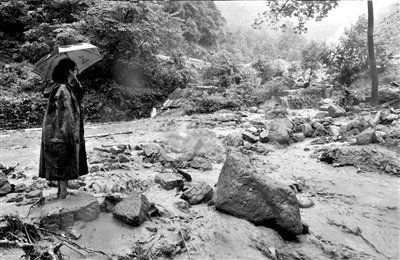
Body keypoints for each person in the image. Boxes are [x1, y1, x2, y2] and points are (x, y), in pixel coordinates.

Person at [39, 58, 88, 199]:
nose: (77, 72)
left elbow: (74, 103)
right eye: (75, 70)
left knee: (62, 160)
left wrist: (78, 88)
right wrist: (72, 133)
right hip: (62, 130)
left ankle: (62, 192)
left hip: (57, 130)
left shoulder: (63, 87)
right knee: (63, 159)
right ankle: (63, 193)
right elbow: (66, 113)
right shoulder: (63, 89)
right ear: (70, 71)